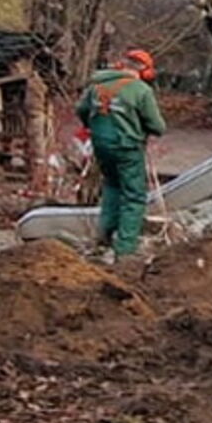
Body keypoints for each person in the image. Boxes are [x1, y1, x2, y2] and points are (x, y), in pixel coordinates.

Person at [75, 48, 166, 263]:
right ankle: (125, 249)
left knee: (111, 186)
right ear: (144, 71)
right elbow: (158, 126)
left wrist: (95, 127)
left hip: (101, 147)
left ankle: (104, 237)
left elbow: (81, 111)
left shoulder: (96, 86)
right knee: (134, 196)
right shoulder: (140, 90)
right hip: (127, 147)